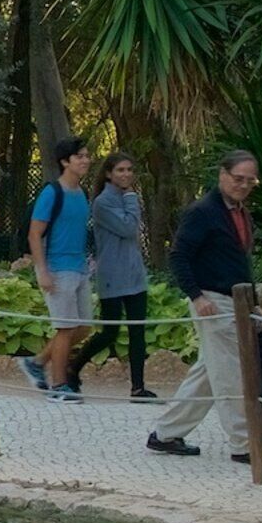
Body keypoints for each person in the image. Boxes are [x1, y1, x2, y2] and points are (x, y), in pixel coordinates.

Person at [146, 149, 262, 462]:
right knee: (230, 373)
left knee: (209, 372)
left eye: (250, 180)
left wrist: (252, 301)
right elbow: (178, 256)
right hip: (214, 300)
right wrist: (197, 297)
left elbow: (238, 261)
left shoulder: (238, 210)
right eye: (238, 178)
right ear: (222, 175)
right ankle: (244, 443)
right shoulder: (203, 211)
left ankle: (166, 433)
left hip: (233, 300)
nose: (243, 185)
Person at [17, 136, 95, 402]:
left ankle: (37, 362)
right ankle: (58, 385)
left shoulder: (81, 193)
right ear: (65, 161)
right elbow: (34, 234)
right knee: (65, 328)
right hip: (59, 268)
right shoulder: (52, 192)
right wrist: (42, 271)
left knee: (84, 326)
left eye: (86, 155)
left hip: (79, 267)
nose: (85, 160)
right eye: (79, 156)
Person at [89, 154, 153, 401]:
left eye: (129, 169)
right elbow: (127, 228)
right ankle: (75, 367)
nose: (126, 174)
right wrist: (130, 198)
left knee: (138, 331)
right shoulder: (103, 203)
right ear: (108, 174)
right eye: (120, 170)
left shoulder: (128, 200)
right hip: (112, 277)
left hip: (134, 275)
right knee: (110, 332)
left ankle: (138, 387)